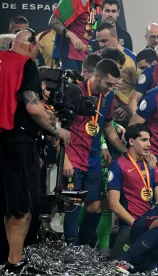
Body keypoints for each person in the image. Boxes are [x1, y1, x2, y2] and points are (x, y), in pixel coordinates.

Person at [0, 30, 70, 272]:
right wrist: (57, 129)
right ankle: (15, 263)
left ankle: (10, 257)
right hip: (18, 142)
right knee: (23, 207)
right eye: (38, 48)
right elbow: (32, 105)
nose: (38, 53)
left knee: (9, 204)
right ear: (29, 45)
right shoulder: (26, 65)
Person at [62, 59, 127, 246]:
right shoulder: (74, 91)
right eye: (108, 84)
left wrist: (124, 151)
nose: (109, 89)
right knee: (73, 206)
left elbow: (107, 126)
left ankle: (84, 248)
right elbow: (59, 125)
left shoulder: (108, 97)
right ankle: (71, 252)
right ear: (96, 76)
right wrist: (64, 158)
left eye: (113, 85)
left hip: (93, 158)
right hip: (73, 156)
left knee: (95, 206)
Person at [107, 124, 158, 259]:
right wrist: (135, 223)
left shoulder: (151, 164)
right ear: (131, 141)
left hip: (151, 225)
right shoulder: (118, 165)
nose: (149, 144)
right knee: (120, 266)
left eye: (149, 140)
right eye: (144, 140)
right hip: (130, 225)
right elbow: (113, 204)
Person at [96, 22, 139, 124]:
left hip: (125, 117)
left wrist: (127, 108)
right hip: (101, 113)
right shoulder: (96, 58)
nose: (101, 45)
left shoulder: (133, 60)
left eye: (104, 41)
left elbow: (140, 91)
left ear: (115, 37)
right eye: (99, 41)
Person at [49, 0, 102, 72]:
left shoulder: (97, 4)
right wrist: (72, 36)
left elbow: (89, 30)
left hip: (87, 58)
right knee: (71, 83)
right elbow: (53, 22)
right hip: (70, 57)